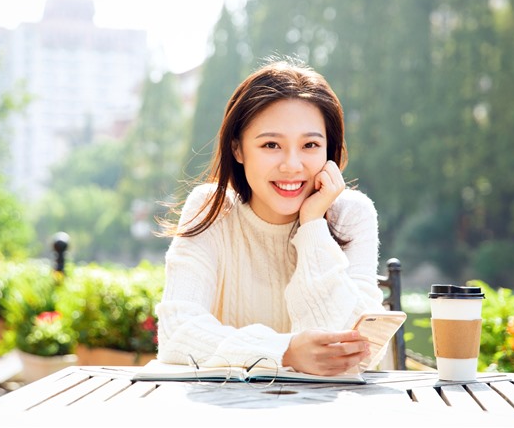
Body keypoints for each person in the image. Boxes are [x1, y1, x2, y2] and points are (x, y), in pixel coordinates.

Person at [156, 58, 384, 376]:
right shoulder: (212, 209)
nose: (292, 165)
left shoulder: (351, 214)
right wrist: (285, 352)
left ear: (329, 151)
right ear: (238, 149)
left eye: (310, 145)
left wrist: (313, 225)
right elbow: (177, 333)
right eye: (271, 144)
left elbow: (353, 352)